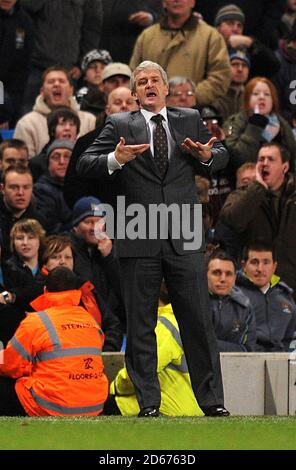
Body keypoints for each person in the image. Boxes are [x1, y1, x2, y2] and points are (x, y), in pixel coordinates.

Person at [77, 60, 230, 417]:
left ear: (165, 89)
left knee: (197, 320)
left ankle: (212, 402)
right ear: (134, 93)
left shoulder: (189, 118)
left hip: (183, 232)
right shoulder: (119, 124)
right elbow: (85, 163)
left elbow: (222, 156)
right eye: (141, 81)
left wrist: (208, 156)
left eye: (154, 80)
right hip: (137, 231)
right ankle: (148, 404)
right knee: (141, 321)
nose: (148, 85)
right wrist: (115, 158)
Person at [0, 266, 108, 416]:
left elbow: (10, 366)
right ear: (76, 292)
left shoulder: (37, 322)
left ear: (45, 291)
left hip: (52, 404)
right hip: (94, 405)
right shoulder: (90, 320)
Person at [105, 281, 204, 416]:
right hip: (190, 405)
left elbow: (141, 370)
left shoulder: (163, 325)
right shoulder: (185, 321)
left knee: (106, 404)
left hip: (170, 408)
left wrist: (116, 386)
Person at [220, 142, 296, 300]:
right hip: (254, 288)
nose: (264, 163)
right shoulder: (244, 195)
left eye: (271, 159)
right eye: (261, 159)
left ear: (285, 167)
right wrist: (258, 189)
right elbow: (232, 220)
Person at [129, 0, 231, 106]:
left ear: (193, 2)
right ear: (163, 3)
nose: (177, 0)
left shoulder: (210, 36)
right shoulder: (147, 37)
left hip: (195, 112)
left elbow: (221, 75)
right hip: (151, 112)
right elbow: (134, 75)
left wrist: (189, 96)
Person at [14, 66, 96, 157]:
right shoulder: (27, 123)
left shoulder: (89, 120)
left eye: (61, 81)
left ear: (71, 90)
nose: (56, 84)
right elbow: (23, 163)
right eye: (51, 82)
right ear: (42, 91)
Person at [223, 76, 296, 172]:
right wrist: (255, 125)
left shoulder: (282, 125)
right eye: (256, 94)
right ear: (247, 99)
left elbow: (292, 159)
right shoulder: (235, 122)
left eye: (267, 94)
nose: (262, 97)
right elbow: (237, 159)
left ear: (273, 100)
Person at [237, 242, 296, 352]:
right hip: (241, 361)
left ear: (274, 267)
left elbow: (288, 339)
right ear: (244, 266)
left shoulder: (286, 298)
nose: (260, 268)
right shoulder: (232, 295)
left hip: (279, 364)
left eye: (266, 262)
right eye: (255, 262)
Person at [207, 249, 256, 352]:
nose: (223, 279)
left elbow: (248, 350)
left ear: (234, 278)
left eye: (228, 274)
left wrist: (212, 344)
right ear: (205, 275)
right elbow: (195, 344)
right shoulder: (194, 303)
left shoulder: (245, 307)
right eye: (216, 273)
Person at [214, 3, 280, 79]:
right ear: (218, 27)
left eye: (239, 26)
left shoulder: (245, 51)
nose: (235, 29)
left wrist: (250, 43)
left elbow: (274, 65)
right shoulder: (208, 46)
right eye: (230, 23)